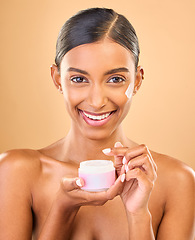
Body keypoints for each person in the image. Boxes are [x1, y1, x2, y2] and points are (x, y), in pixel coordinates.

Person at [0, 7, 194, 240]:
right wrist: (62, 209)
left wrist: (139, 214)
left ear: (138, 80)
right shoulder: (16, 172)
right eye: (79, 79)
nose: (96, 101)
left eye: (115, 79)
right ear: (57, 79)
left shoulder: (178, 182)